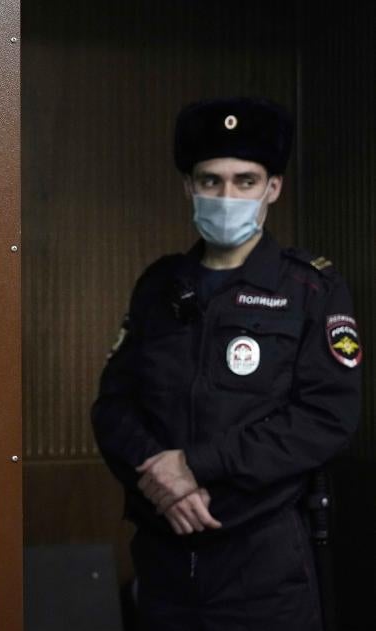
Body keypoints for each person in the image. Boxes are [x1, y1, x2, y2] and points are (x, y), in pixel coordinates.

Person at [91, 97, 361, 631]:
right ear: (189, 187)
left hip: (264, 568)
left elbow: (325, 418)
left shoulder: (312, 289)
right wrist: (162, 478)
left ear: (273, 189)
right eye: (211, 181)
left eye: (245, 181)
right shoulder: (159, 286)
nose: (227, 195)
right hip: (165, 562)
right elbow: (114, 407)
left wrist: (197, 465)